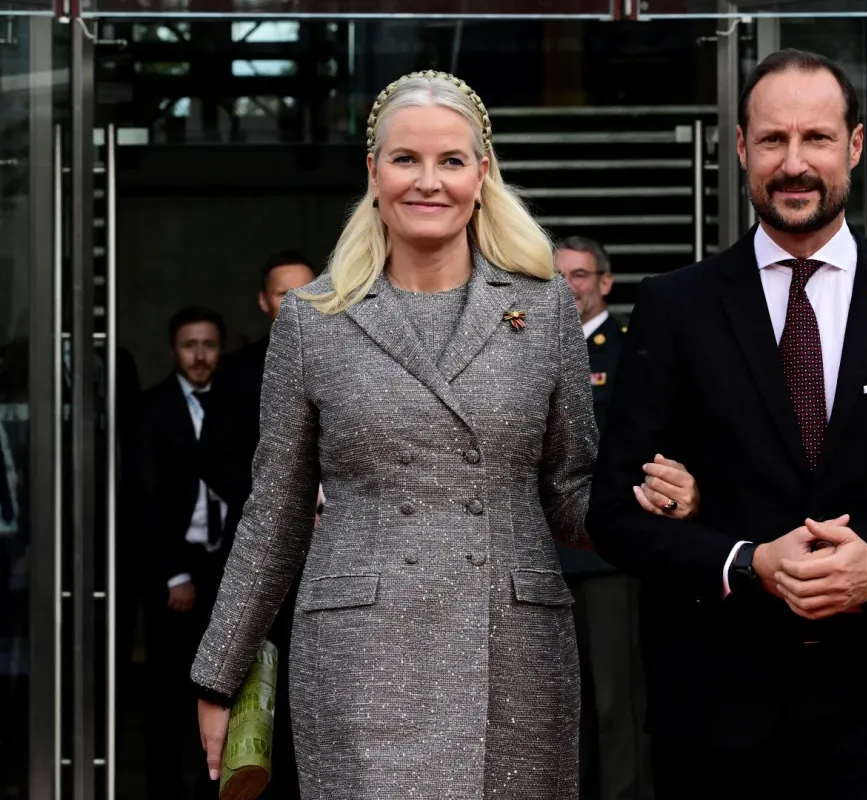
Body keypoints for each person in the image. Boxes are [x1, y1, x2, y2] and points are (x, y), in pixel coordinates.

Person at [189, 70, 700, 800]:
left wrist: (652, 504)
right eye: (406, 159)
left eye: (451, 161)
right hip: (362, 652)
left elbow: (570, 490)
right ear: (373, 171)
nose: (428, 182)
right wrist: (220, 671)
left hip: (512, 646)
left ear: (482, 174)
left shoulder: (543, 304)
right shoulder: (314, 317)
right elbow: (274, 512)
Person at [586, 49, 867, 799]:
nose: (794, 163)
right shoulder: (674, 307)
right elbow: (616, 514)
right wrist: (746, 560)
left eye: (815, 138)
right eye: (773, 140)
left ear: (852, 146)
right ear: (743, 149)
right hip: (722, 717)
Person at [202, 250, 317, 800]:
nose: (293, 301)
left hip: (339, 550)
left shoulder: (343, 352)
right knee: (255, 676)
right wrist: (280, 504)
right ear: (264, 301)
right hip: (265, 546)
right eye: (283, 292)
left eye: (304, 289)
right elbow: (215, 455)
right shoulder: (239, 370)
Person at [554, 236, 654, 800]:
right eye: (558, 276)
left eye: (580, 276)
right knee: (560, 700)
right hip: (543, 552)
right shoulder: (529, 346)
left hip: (606, 551)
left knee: (616, 695)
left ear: (605, 284)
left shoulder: (629, 348)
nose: (568, 287)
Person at [137, 306, 232, 799]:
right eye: (189, 345)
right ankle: (164, 787)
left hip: (228, 562)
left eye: (209, 344)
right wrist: (173, 572)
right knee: (169, 685)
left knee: (224, 679)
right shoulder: (152, 408)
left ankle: (210, 785)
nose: (199, 355)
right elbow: (145, 497)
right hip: (175, 562)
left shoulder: (239, 402)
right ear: (173, 349)